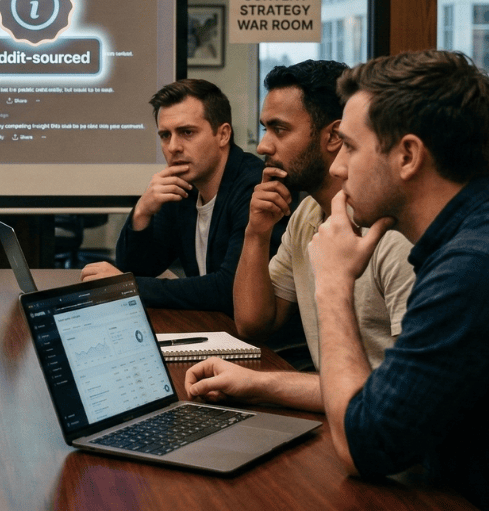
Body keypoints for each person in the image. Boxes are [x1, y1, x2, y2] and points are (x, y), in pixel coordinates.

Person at [307, 50, 489, 508]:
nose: (336, 168)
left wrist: (332, 282)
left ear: (407, 155)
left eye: (349, 146)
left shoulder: (469, 268)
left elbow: (364, 445)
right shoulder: (463, 241)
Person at [185, 60, 414, 411]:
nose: (263, 146)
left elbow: (400, 399)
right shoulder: (305, 216)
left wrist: (261, 383)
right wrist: (256, 233)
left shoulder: (393, 236)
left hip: (381, 438)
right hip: (341, 418)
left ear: (334, 136)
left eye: (279, 129)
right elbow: (253, 324)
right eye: (265, 129)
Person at [81, 78, 282, 314]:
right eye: (165, 135)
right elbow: (140, 268)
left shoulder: (254, 187)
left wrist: (129, 287)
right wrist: (142, 210)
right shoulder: (183, 186)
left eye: (187, 132)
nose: (173, 147)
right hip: (214, 329)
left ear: (223, 135)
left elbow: (228, 289)